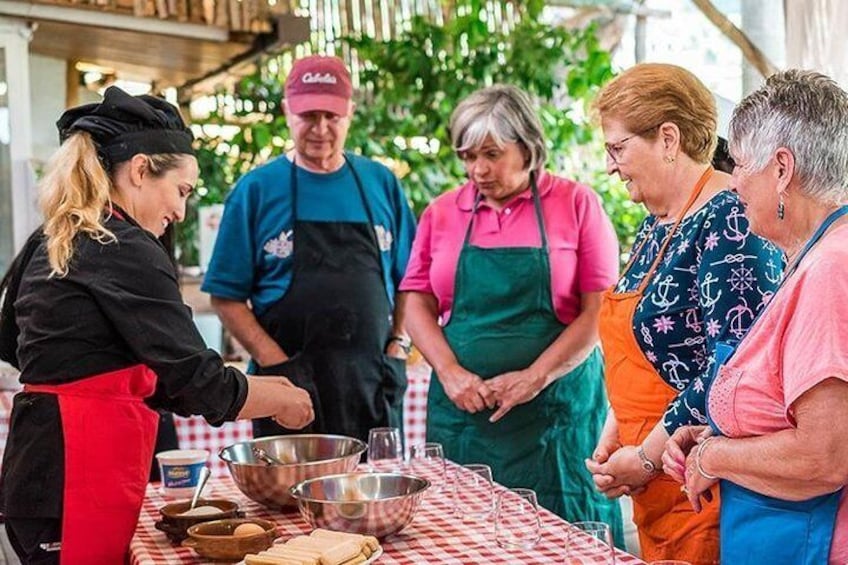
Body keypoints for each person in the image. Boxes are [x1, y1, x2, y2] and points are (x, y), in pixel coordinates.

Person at [0, 86, 314, 564]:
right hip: (76, 470)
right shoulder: (120, 243)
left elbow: (13, 345)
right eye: (182, 191)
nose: (181, 212)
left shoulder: (55, 237)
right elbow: (197, 380)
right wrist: (283, 398)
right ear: (141, 169)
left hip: (41, 472)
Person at [400, 84, 624, 542]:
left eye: (491, 154)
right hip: (465, 416)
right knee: (463, 537)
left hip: (554, 418)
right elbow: (416, 302)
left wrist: (535, 377)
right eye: (467, 156)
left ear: (529, 148)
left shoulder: (577, 204)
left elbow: (598, 311)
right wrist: (450, 372)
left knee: (566, 537)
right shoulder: (442, 212)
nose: (477, 169)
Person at [584, 63, 783, 564]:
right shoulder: (656, 223)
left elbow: (730, 365)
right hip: (652, 479)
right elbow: (643, 349)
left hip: (697, 483)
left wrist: (646, 459)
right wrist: (616, 434)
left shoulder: (730, 218)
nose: (611, 165)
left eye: (618, 147)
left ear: (668, 138)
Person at [663, 69, 848, 565]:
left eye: (742, 164)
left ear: (782, 169)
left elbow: (824, 455)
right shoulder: (817, 254)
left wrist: (714, 456)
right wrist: (720, 433)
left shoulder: (830, 268)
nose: (735, 180)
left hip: (812, 542)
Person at [202, 55, 417, 443]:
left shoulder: (381, 183)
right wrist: (279, 367)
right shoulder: (256, 190)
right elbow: (226, 297)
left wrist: (398, 344)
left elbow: (411, 280)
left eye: (332, 116)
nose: (320, 129)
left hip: (372, 381)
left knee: (371, 499)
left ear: (350, 112)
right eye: (308, 116)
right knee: (286, 499)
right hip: (288, 390)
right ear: (287, 112)